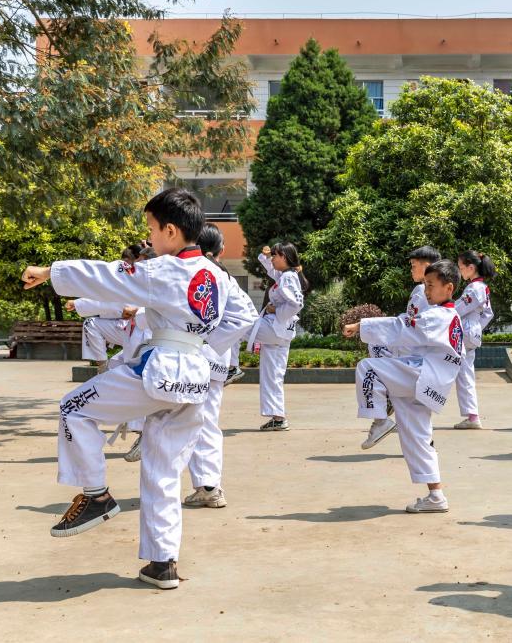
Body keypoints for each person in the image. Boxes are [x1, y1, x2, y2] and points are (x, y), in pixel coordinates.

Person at [20, 187, 241, 590]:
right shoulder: (218, 276)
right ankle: (163, 564)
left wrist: (51, 271)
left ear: (171, 231)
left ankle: (97, 495)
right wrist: (201, 345)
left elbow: (108, 276)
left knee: (74, 407)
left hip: (160, 369)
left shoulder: (165, 269)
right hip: (195, 378)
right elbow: (244, 318)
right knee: (163, 471)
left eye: (152, 230)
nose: (150, 240)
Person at [344, 260, 465, 513]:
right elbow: (408, 330)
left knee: (368, 368)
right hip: (429, 383)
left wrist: (362, 325)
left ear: (449, 288)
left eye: (431, 285)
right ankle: (436, 496)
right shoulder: (448, 316)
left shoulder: (438, 316)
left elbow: (401, 327)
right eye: (425, 285)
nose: (426, 291)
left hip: (421, 375)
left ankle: (380, 421)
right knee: (417, 438)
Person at [183, 224, 259, 508]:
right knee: (204, 420)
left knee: (195, 421)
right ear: (221, 249)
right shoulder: (223, 275)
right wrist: (213, 344)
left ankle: (208, 486)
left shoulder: (196, 274)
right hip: (211, 359)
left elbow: (246, 317)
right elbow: (247, 315)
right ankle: (207, 485)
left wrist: (205, 343)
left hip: (196, 357)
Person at [361, 245, 441, 450]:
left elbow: (411, 325)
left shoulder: (425, 293)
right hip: (420, 357)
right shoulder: (426, 292)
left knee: (370, 361)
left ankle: (382, 412)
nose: (411, 270)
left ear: (427, 266)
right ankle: (425, 444)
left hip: (415, 358)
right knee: (416, 410)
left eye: (414, 266)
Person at [249, 243, 308, 431]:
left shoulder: (288, 277)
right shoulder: (285, 276)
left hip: (275, 328)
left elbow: (297, 304)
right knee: (273, 375)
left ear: (284, 256)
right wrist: (265, 256)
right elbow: (271, 269)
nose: (273, 258)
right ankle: (278, 418)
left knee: (238, 325)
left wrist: (276, 311)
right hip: (282, 333)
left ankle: (232, 366)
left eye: (275, 255)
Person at [452, 251, 495, 430]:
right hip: (471, 333)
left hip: (464, 333)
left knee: (458, 373)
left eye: (461, 267)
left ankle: (472, 416)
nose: (460, 271)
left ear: (471, 268)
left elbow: (457, 309)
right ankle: (472, 416)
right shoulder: (482, 287)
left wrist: (440, 312)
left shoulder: (474, 288)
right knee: (464, 373)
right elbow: (488, 314)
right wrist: (476, 328)